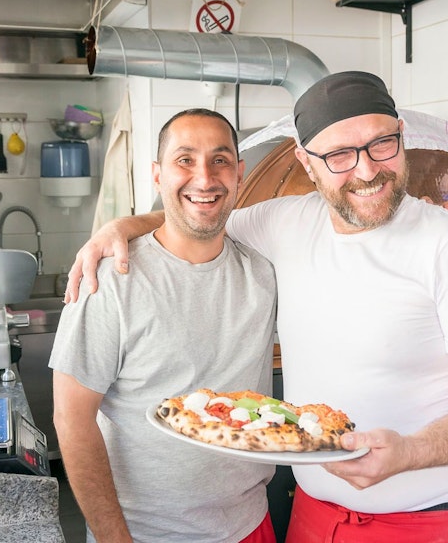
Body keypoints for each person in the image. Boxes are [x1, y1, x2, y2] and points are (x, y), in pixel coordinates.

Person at [64, 72, 448, 542]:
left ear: (401, 138)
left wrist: (411, 452)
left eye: (381, 145)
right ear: (306, 163)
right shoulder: (283, 223)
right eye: (340, 155)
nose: (367, 171)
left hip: (429, 525)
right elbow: (199, 215)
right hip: (312, 520)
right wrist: (120, 227)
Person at [49, 108, 278, 543]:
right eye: (185, 160)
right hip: (145, 534)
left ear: (240, 174)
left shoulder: (262, 273)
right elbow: (72, 419)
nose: (205, 178)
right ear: (157, 175)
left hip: (250, 524)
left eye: (220, 160)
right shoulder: (110, 280)